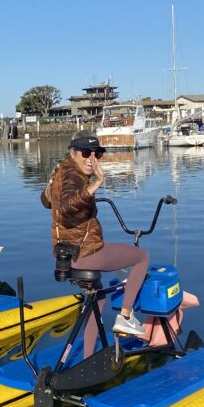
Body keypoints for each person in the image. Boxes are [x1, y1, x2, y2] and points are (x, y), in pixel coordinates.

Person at [44, 134, 149, 351]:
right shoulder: (75, 176)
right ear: (74, 153)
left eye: (97, 153)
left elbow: (46, 201)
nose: (92, 158)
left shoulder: (62, 171)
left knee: (97, 298)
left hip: (66, 254)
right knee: (141, 258)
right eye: (86, 153)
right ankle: (126, 315)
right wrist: (98, 183)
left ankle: (88, 355)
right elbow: (66, 206)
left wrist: (52, 184)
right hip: (85, 253)